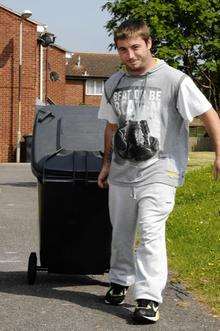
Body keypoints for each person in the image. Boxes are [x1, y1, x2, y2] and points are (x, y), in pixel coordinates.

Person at [97, 19, 220, 324]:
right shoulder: (114, 84)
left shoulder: (175, 80)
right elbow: (111, 127)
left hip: (161, 169)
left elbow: (209, 115)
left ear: (149, 44)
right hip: (123, 170)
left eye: (136, 47)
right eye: (123, 49)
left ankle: (148, 297)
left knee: (151, 230)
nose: (130, 55)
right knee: (122, 232)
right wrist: (106, 163)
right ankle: (120, 279)